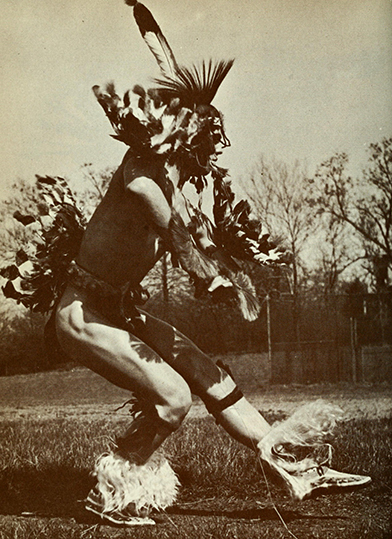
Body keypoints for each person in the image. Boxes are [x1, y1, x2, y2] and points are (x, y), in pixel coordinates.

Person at [1, 0, 371, 527]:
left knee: (205, 371)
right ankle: (112, 489)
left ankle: (288, 461)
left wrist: (236, 268)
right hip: (81, 315)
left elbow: (198, 233)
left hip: (120, 310)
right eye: (205, 142)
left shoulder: (175, 181)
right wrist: (208, 275)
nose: (210, 156)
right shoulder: (142, 175)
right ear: (182, 135)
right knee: (174, 398)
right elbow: (177, 236)